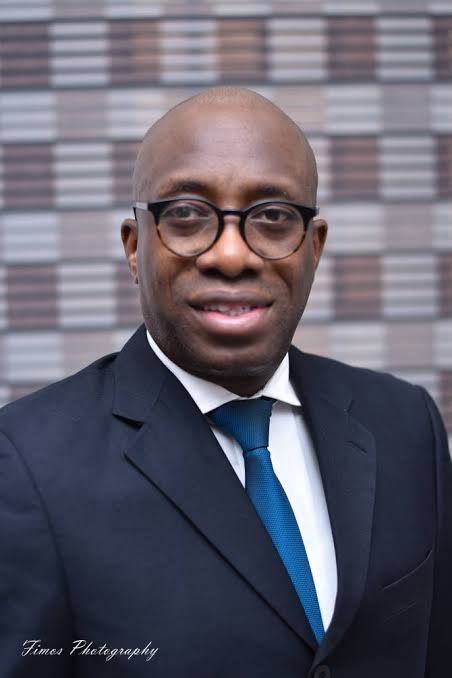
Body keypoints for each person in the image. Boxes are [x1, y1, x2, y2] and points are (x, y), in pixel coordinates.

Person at [0, 86, 450, 678]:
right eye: (186, 215)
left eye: (273, 217)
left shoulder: (405, 425)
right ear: (134, 248)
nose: (232, 256)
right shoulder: (25, 464)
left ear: (314, 248)